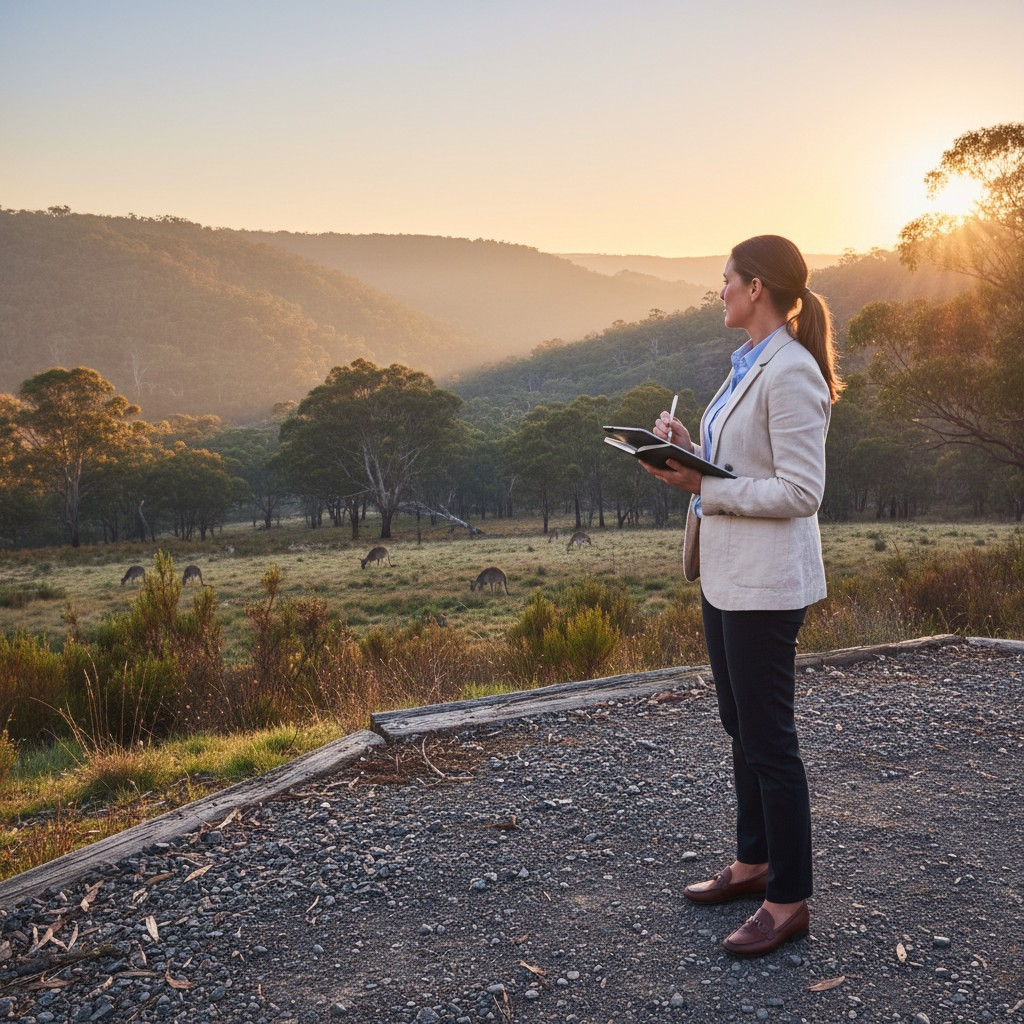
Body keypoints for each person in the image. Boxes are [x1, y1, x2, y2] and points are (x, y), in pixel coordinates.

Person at [643, 234, 843, 957]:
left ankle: (788, 900)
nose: (719, 290)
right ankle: (754, 862)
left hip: (765, 586)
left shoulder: (791, 371)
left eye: (726, 279)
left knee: (770, 741)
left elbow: (801, 490)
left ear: (756, 287)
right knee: (740, 726)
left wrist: (704, 485)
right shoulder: (746, 365)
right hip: (728, 578)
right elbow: (739, 460)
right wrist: (685, 446)